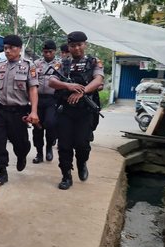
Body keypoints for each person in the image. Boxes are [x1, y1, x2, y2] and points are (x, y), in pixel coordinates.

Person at [48, 31, 104, 190]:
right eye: (73, 45)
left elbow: (98, 79)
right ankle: (66, 175)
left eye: (79, 45)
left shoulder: (94, 61)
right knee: (64, 145)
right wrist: (68, 86)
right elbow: (52, 81)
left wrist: (82, 92)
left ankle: (82, 162)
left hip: (85, 110)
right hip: (65, 110)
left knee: (82, 143)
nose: (77, 48)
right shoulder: (62, 63)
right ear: (69, 46)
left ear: (85, 44)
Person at [0, 35, 39, 186]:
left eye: (11, 48)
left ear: (19, 49)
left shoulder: (29, 66)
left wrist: (34, 112)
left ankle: (22, 154)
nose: (7, 51)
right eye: (5, 48)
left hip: (18, 112)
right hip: (0, 110)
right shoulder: (0, 65)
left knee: (20, 143)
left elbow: (33, 89)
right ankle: (2, 171)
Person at [32, 40, 60, 164]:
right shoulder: (36, 63)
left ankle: (49, 147)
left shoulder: (60, 64)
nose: (47, 54)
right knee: (37, 126)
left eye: (50, 51)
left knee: (50, 124)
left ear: (54, 51)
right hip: (37, 98)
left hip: (52, 99)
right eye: (45, 52)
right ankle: (39, 152)